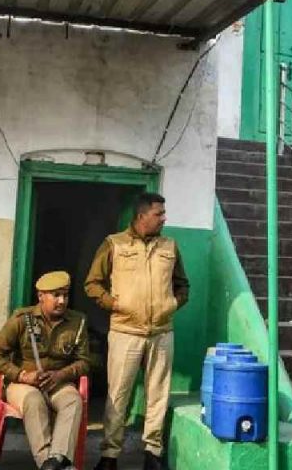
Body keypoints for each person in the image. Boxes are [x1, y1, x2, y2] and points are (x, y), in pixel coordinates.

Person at [84, 193, 188, 470]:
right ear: (142, 216)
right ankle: (109, 456)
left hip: (161, 332)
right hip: (125, 332)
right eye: (159, 214)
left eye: (164, 213)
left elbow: (183, 285)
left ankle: (152, 454)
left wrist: (172, 304)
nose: (164, 218)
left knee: (158, 394)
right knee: (118, 395)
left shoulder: (170, 246)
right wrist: (114, 304)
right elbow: (92, 284)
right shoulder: (114, 244)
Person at [0, 271, 89, 470]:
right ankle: (46, 463)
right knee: (34, 400)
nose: (62, 301)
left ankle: (57, 459)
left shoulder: (78, 322)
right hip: (23, 383)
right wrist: (22, 375)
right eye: (56, 295)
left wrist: (61, 375)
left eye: (65, 295)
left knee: (73, 400)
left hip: (58, 382)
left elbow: (84, 362)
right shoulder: (22, 319)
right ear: (41, 296)